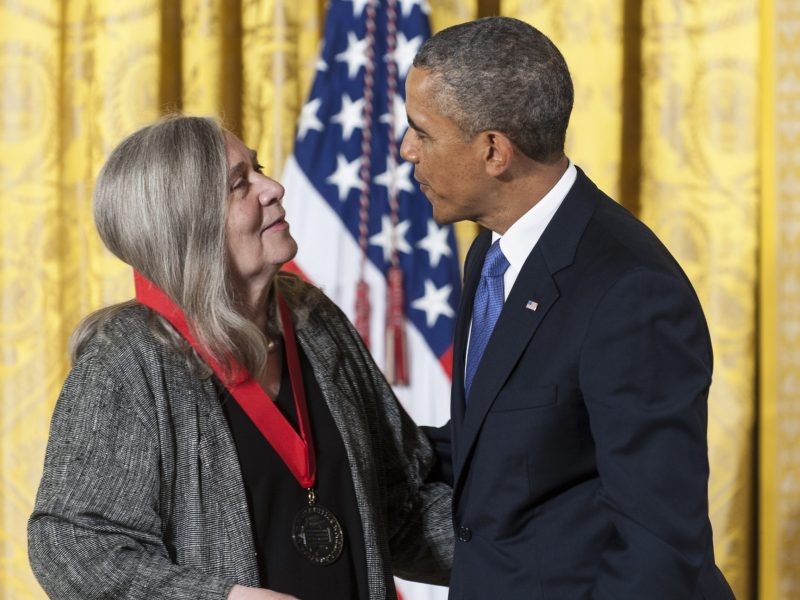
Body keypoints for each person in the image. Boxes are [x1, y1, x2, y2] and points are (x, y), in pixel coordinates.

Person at [28, 115, 452, 600]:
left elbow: (398, 507)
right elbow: (72, 546)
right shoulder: (125, 355)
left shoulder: (315, 319)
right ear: (186, 223)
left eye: (260, 169)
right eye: (239, 184)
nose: (273, 188)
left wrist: (537, 548)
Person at [400, 16, 734, 600]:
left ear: (494, 151)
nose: (406, 151)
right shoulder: (493, 253)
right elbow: (508, 443)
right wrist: (349, 443)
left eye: (421, 133)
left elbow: (658, 550)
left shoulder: (629, 291)